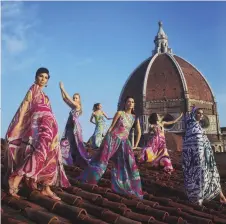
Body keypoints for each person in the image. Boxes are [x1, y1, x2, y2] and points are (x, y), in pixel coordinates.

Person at [5, 68, 70, 200]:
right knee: (39, 151)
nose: (43, 79)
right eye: (41, 76)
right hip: (38, 125)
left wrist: (56, 131)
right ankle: (16, 178)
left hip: (50, 125)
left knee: (53, 152)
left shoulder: (46, 97)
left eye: (46, 77)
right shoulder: (33, 89)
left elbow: (50, 113)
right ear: (36, 77)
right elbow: (25, 105)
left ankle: (46, 187)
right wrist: (18, 124)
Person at [77, 96, 143, 198]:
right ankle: (89, 180)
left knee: (129, 164)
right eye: (128, 101)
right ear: (125, 103)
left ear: (134, 104)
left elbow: (139, 132)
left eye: (132, 102)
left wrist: (135, 145)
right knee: (101, 160)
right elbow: (111, 127)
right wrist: (105, 140)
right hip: (112, 138)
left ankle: (125, 186)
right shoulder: (120, 113)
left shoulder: (134, 118)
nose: (130, 103)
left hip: (125, 142)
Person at [182, 107, 226, 205]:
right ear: (193, 114)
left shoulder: (198, 127)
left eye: (202, 113)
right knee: (198, 178)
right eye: (198, 113)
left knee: (211, 175)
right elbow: (190, 145)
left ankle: (221, 196)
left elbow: (203, 142)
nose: (201, 115)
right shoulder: (191, 128)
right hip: (195, 161)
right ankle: (198, 199)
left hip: (205, 159)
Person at [59, 82, 90, 168]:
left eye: (76, 98)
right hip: (70, 126)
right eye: (74, 98)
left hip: (75, 127)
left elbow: (68, 98)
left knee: (73, 144)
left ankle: (72, 161)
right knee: (68, 143)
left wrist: (63, 88)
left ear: (79, 100)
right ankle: (66, 160)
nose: (74, 99)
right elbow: (64, 99)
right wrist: (61, 89)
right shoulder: (73, 107)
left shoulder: (77, 106)